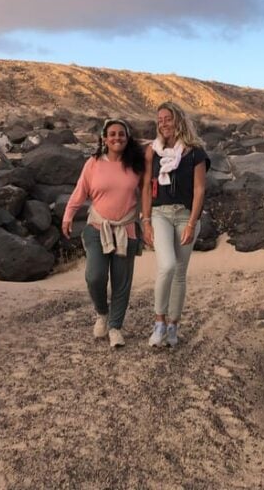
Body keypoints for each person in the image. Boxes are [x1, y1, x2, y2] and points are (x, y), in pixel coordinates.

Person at [62, 118, 145, 349]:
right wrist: (68, 216)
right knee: (94, 276)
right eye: (112, 134)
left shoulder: (136, 165)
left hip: (127, 229)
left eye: (121, 134)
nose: (117, 138)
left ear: (127, 138)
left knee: (122, 282)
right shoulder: (93, 163)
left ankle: (115, 327)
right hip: (98, 227)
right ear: (104, 138)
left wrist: (148, 223)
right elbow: (80, 191)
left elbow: (148, 193)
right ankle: (102, 312)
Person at [142, 101, 210, 348]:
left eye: (167, 118)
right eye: (159, 120)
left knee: (180, 273)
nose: (163, 124)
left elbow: (199, 190)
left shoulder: (194, 152)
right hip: (160, 214)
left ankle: (173, 325)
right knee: (167, 266)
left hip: (185, 216)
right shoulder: (153, 151)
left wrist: (192, 223)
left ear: (178, 120)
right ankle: (159, 322)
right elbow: (146, 188)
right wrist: (146, 220)